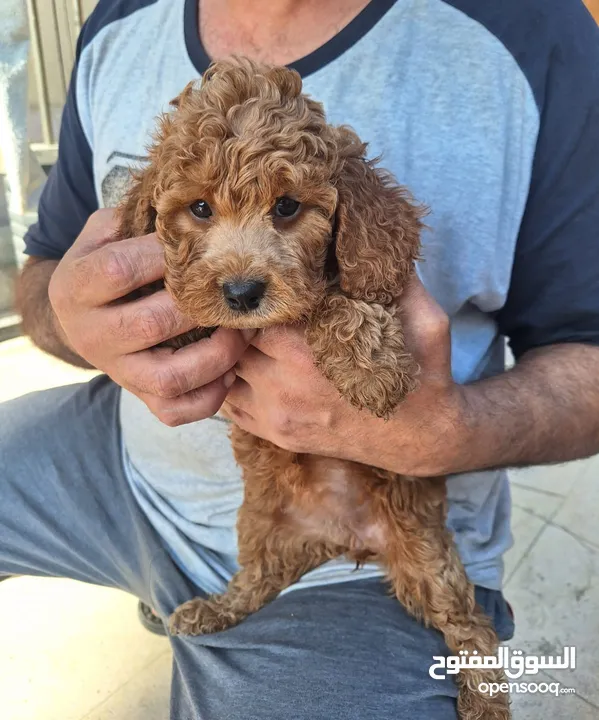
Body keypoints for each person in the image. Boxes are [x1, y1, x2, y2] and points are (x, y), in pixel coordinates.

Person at [2, 0, 599, 717]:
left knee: (435, 585)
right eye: (200, 211)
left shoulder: (534, 32)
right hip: (129, 465)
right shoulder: (116, 23)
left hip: (377, 511)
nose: (240, 268)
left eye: (286, 209)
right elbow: (43, 269)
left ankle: (472, 653)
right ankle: (239, 589)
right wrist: (75, 316)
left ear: (346, 208)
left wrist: (446, 432)